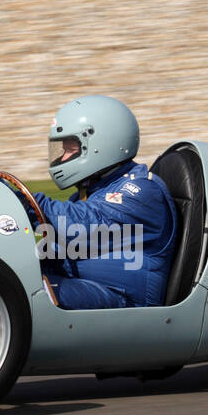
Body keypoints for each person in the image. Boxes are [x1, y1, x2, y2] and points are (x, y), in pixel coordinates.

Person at [29, 95, 177, 309]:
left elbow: (83, 225)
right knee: (12, 281)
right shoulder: (95, 189)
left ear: (101, 145)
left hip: (126, 302)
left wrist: (27, 202)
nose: (62, 158)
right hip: (90, 287)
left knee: (31, 295)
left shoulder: (141, 190)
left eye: (70, 150)